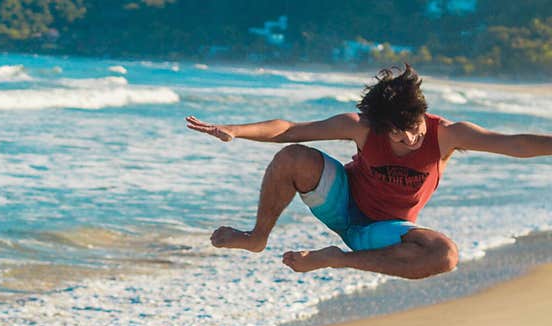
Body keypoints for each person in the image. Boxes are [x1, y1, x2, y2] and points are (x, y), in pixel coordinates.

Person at [186, 64, 552, 279]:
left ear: (424, 115)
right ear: (380, 125)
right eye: (396, 133)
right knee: (293, 155)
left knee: (444, 255)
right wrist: (235, 129)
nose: (408, 138)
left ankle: (335, 259)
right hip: (341, 203)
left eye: (414, 129)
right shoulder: (361, 126)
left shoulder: (448, 135)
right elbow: (289, 129)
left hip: (384, 230)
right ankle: (256, 237)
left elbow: (516, 144)